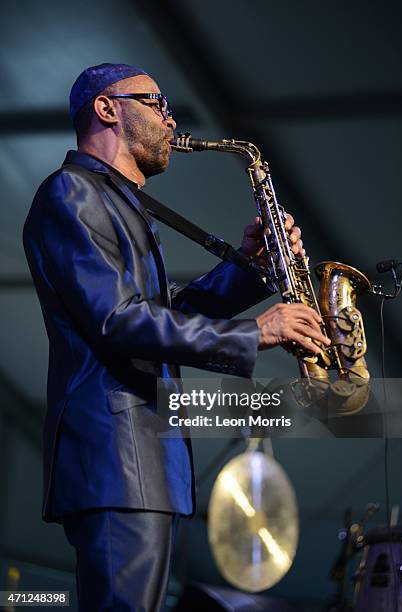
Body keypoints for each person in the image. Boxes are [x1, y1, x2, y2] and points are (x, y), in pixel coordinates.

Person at [23, 63, 330, 611]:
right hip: (116, 458)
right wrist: (255, 333)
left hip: (142, 459)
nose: (169, 119)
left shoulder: (117, 201)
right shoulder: (72, 192)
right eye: (156, 102)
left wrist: (252, 269)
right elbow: (119, 321)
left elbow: (162, 315)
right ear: (107, 107)